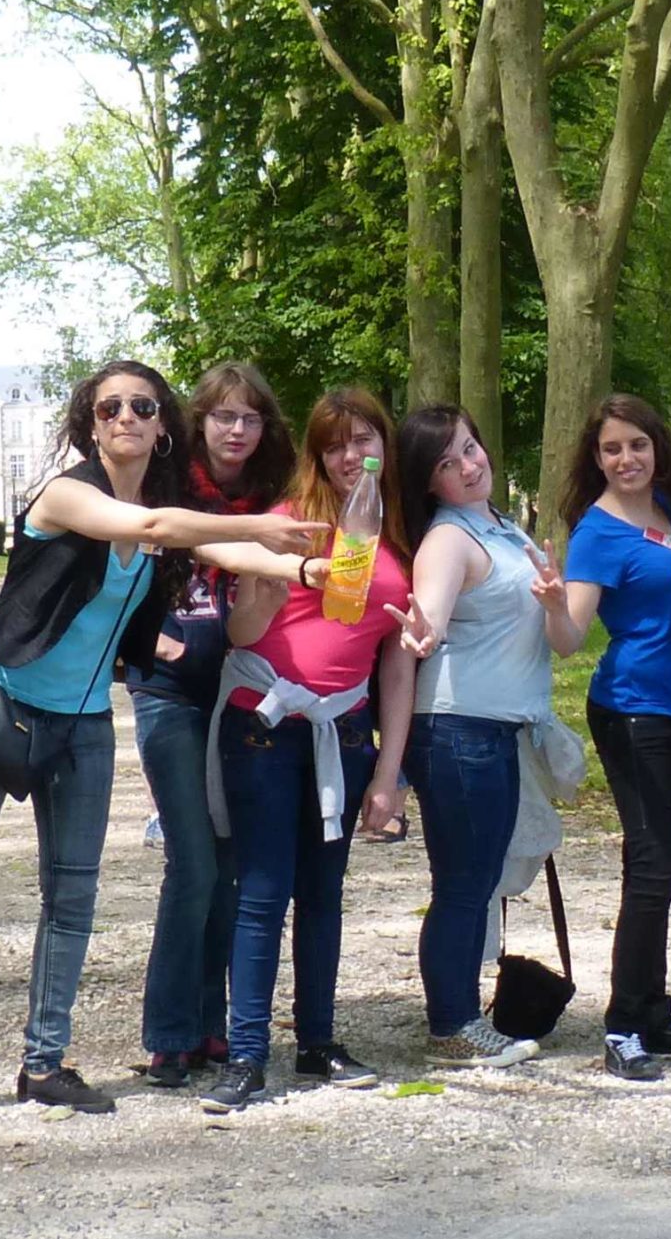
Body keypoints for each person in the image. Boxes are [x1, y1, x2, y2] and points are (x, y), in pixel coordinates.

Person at [0, 362, 324, 1134]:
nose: (126, 416)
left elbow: (235, 557)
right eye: (110, 407)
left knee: (72, 898)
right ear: (91, 424)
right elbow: (159, 530)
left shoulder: (165, 509)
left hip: (83, 721)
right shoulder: (69, 494)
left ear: (163, 423)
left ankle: (44, 1062)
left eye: (143, 405)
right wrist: (253, 525)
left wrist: (305, 566)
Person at [199, 388, 416, 1112]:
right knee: (262, 891)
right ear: (316, 455)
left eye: (363, 440)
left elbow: (394, 662)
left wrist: (390, 771)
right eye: (334, 444)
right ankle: (248, 1053)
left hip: (345, 730)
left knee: (324, 895)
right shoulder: (289, 523)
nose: (350, 455)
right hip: (264, 723)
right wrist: (275, 579)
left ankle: (319, 1042)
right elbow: (238, 626)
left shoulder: (397, 536)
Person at [129, 362, 299, 1089]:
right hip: (167, 692)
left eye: (250, 418)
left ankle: (209, 1020)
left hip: (234, 694)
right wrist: (139, 641)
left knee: (225, 866)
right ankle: (169, 1030)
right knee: (192, 859)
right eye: (223, 416)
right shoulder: (169, 490)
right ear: (199, 422)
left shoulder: (270, 499)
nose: (236, 429)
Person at [556, 394, 671, 1080]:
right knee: (651, 865)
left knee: (661, 866)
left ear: (657, 447)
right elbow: (570, 639)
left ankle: (654, 1012)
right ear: (594, 457)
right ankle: (624, 1025)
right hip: (630, 709)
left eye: (636, 444)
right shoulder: (597, 533)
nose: (625, 458)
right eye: (611, 448)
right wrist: (551, 605)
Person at [384, 404, 566, 1069]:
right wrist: (423, 632)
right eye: (446, 462)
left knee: (475, 876)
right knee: (463, 881)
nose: (468, 464)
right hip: (458, 729)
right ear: (429, 481)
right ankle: (452, 1023)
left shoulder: (507, 529)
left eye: (469, 447)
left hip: (493, 729)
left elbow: (560, 636)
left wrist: (554, 604)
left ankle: (458, 1015)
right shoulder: (448, 539)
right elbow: (422, 623)